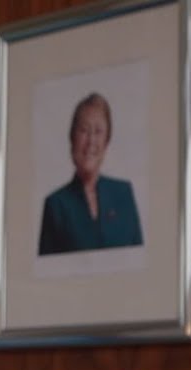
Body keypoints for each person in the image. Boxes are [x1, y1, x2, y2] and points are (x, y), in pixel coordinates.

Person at [38, 92, 144, 255]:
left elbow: (139, 259)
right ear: (72, 138)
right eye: (84, 130)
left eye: (98, 131)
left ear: (107, 141)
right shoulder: (56, 205)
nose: (91, 141)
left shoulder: (123, 194)